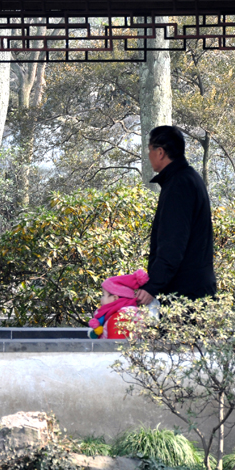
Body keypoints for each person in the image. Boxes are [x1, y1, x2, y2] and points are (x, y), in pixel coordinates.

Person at [135, 126, 216, 306]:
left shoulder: (178, 185)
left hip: (185, 294)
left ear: (160, 152)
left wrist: (153, 286)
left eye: (149, 150)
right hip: (196, 288)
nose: (148, 156)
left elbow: (172, 243)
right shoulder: (188, 178)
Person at [87, 269, 150, 339]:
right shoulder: (131, 313)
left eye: (103, 295)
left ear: (114, 298)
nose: (101, 299)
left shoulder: (119, 319)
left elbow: (114, 346)